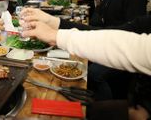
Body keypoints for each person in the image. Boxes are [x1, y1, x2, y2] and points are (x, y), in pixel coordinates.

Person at [46, 0, 148, 101]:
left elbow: (134, 34)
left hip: (122, 50)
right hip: (104, 40)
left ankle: (104, 106)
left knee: (92, 74)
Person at [20, 7, 151, 120]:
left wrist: (57, 36)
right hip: (138, 101)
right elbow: (110, 33)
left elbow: (140, 50)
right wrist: (53, 22)